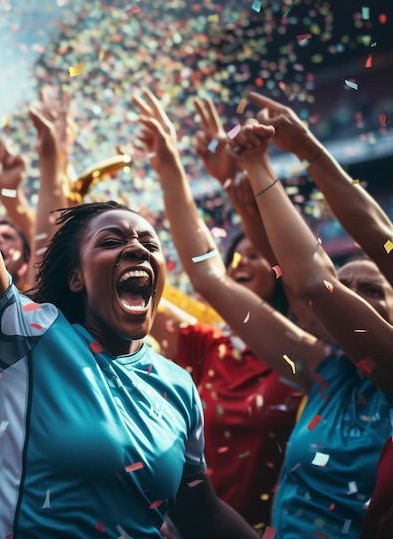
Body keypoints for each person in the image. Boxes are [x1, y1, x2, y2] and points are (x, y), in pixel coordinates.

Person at [0, 0, 259, 538]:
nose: (139, 249)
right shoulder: (25, 339)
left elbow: (199, 511)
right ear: (78, 275)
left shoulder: (177, 385)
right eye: (112, 240)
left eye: (149, 242)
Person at [132, 90, 304, 531]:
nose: (242, 261)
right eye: (237, 253)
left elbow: (292, 268)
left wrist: (237, 181)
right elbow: (204, 272)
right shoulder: (210, 345)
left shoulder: (311, 356)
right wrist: (169, 167)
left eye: (255, 254)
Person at [223, 112, 393, 539]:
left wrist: (285, 157)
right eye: (347, 286)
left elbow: (318, 279)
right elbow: (296, 278)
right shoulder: (326, 371)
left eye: (371, 290)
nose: (352, 298)